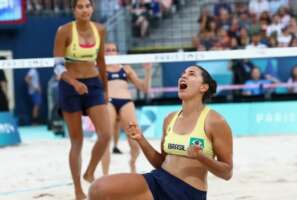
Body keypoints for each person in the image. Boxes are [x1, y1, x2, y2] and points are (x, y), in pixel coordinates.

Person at [88, 65, 233, 200]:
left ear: (204, 87)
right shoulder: (170, 119)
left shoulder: (215, 121)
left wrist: (201, 157)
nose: (183, 76)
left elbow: (227, 173)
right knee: (98, 188)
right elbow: (161, 163)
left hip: (187, 191)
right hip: (159, 180)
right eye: (182, 74)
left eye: (191, 74)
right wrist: (141, 140)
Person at [53, 0, 112, 199]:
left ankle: (90, 171)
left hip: (93, 84)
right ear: (74, 10)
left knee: (105, 134)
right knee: (76, 141)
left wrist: (105, 88)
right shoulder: (64, 31)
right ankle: (78, 189)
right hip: (70, 86)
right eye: (80, 6)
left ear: (92, 8)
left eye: (88, 6)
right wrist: (74, 82)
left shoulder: (100, 29)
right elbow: (58, 67)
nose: (85, 10)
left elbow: (101, 60)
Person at [101, 42, 152, 175]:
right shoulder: (100, 68)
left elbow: (144, 88)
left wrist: (148, 71)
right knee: (106, 139)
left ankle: (132, 163)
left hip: (126, 102)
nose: (111, 52)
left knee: (135, 140)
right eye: (108, 50)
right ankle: (105, 175)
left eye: (113, 50)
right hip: (108, 102)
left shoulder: (126, 68)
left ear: (117, 52)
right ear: (103, 53)